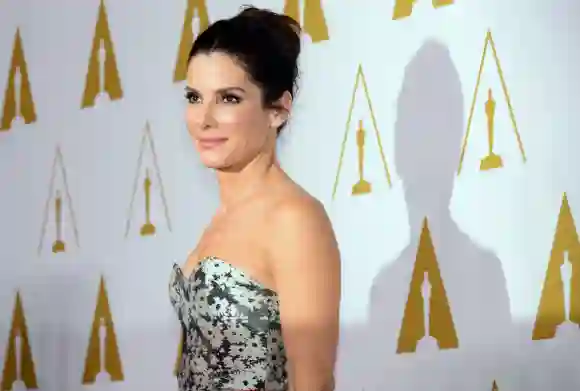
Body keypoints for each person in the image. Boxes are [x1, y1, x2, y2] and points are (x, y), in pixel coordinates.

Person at [168, 6, 341, 391]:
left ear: (278, 110)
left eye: (228, 99)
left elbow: (313, 379)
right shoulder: (221, 219)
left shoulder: (293, 220)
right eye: (194, 97)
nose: (204, 118)